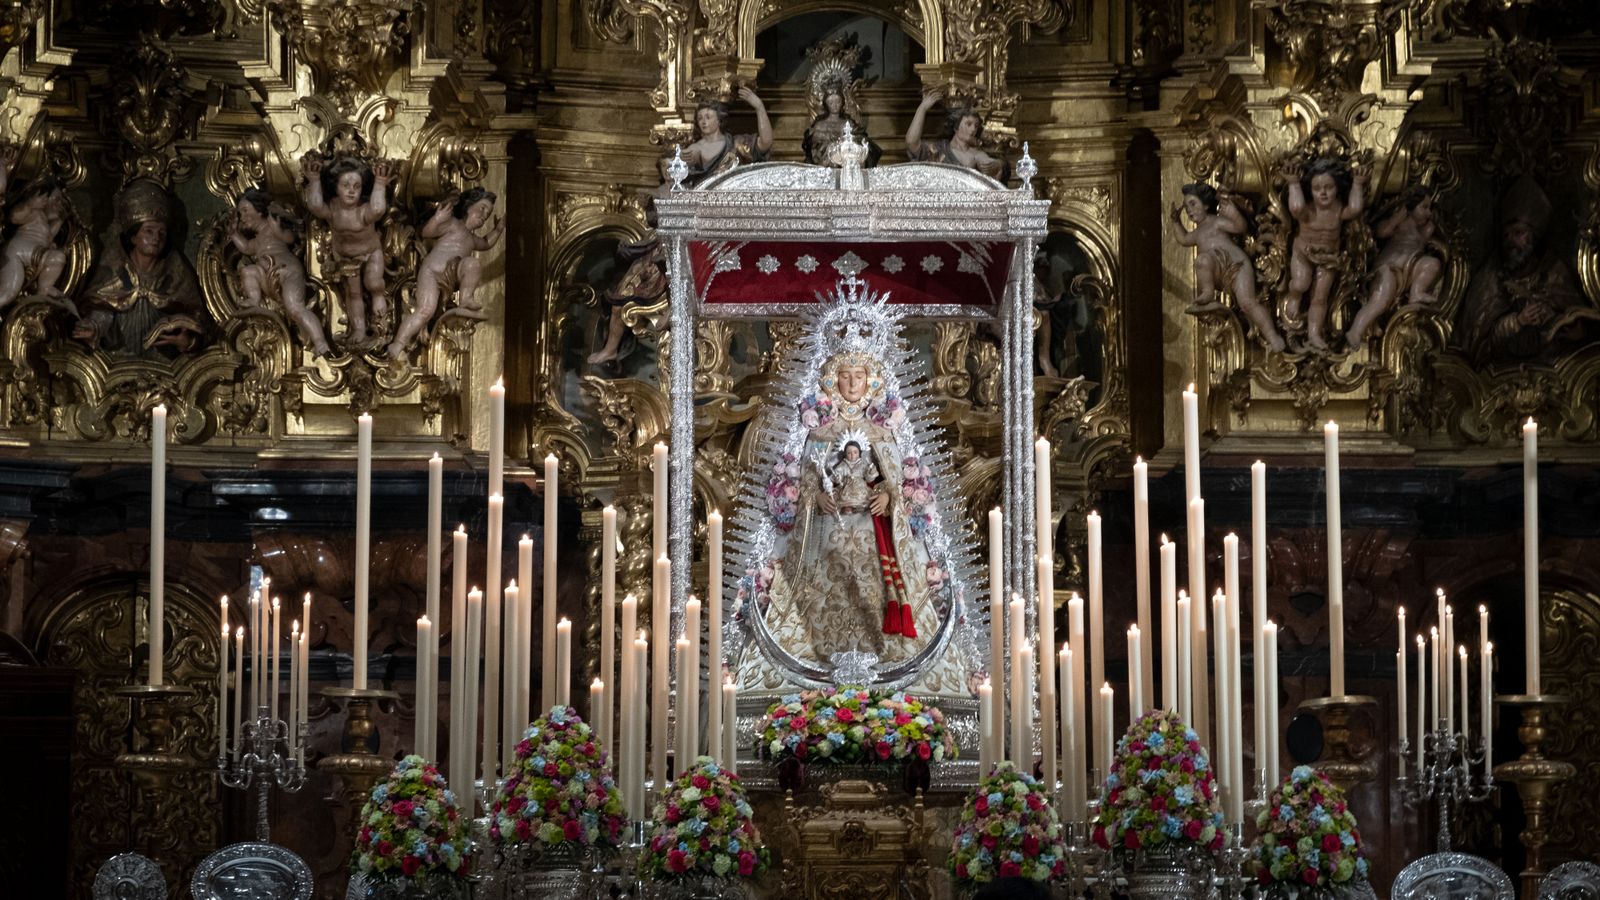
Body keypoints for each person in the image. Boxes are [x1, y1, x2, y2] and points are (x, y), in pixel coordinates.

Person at [765, 353, 937, 661]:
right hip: (829, 523)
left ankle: (881, 653)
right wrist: (816, 496)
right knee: (828, 568)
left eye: (859, 375)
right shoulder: (821, 432)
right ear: (834, 381)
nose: (853, 382)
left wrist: (887, 497)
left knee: (873, 582)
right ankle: (820, 652)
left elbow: (893, 479)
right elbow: (807, 479)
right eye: (846, 375)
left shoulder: (881, 432)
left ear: (870, 381)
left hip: (872, 528)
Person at [1457, 175, 1595, 363]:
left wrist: (1559, 322)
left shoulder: (1555, 271)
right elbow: (1477, 341)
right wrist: (1517, 321)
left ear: (1534, 235)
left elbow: (1579, 327)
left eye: (1518, 233)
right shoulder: (1489, 278)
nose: (1510, 241)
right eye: (1506, 235)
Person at [73, 179, 207, 357]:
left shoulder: (177, 273)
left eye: (162, 233)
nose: (156, 238)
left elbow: (198, 319)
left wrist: (187, 341)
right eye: (149, 231)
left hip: (165, 366)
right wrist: (94, 328)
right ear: (133, 237)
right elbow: (99, 306)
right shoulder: (112, 270)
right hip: (115, 360)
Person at [389, 187, 504, 360]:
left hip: (452, 274)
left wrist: (499, 229)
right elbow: (426, 232)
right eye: (482, 208)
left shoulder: (472, 239)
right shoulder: (453, 224)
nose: (484, 215)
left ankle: (466, 299)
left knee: (472, 263)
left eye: (487, 213)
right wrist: (437, 219)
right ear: (469, 206)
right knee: (425, 311)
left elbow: (486, 243)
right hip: (432, 273)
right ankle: (397, 345)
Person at [1170, 182, 1285, 352]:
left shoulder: (1216, 222)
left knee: (1247, 303)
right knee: (1201, 261)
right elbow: (1184, 239)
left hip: (1236, 265)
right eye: (1186, 207)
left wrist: (1234, 213)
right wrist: (1175, 221)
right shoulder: (1198, 233)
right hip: (1218, 271)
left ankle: (1273, 337)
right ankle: (1207, 292)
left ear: (1206, 204)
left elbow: (1240, 227)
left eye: (1193, 204)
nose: (1189, 211)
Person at [301, 154, 394, 347]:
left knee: (375, 284)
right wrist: (314, 180)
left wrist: (380, 182)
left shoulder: (363, 210)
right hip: (344, 257)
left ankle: (381, 327)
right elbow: (316, 206)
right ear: (336, 187)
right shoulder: (334, 209)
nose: (351, 191)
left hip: (371, 253)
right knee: (353, 293)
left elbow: (377, 210)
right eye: (346, 185)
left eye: (356, 186)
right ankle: (359, 329)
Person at [230, 187, 332, 357]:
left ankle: (321, 343)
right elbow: (247, 248)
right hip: (267, 275)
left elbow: (289, 238)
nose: (242, 217)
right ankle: (253, 299)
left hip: (288, 271)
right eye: (240, 213)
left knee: (295, 309)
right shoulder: (256, 241)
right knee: (248, 271)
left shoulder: (271, 227)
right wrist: (233, 234)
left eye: (245, 210)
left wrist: (277, 228)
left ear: (260, 210)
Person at [1280, 158, 1367, 351]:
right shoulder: (1308, 210)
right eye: (1317, 188)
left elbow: (1354, 209)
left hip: (1328, 259)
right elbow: (1295, 208)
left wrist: (1358, 185)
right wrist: (1293, 183)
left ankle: (1314, 333)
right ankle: (1294, 296)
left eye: (1329, 187)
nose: (1323, 192)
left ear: (1337, 188)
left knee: (1320, 298)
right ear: (1309, 191)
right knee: (1301, 283)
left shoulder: (1337, 210)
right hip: (1304, 252)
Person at [1345, 187, 1443, 347]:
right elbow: (1381, 232)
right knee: (1380, 300)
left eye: (1430, 208)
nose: (1428, 212)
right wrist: (1397, 218)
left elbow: (1422, 243)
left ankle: (1417, 292)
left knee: (1432, 264)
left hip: (1410, 269)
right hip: (1389, 268)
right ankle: (1356, 330)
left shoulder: (1421, 230)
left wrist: (1432, 224)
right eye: (1424, 207)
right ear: (1410, 207)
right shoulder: (1400, 223)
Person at [661, 87, 773, 188]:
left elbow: (765, 142)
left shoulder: (737, 143)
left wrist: (759, 107)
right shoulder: (696, 147)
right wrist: (684, 159)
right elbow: (687, 158)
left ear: (719, 120)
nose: (703, 122)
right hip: (705, 202)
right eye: (700, 118)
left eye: (708, 117)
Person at [905, 90, 1004, 179]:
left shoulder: (976, 154)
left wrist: (998, 165)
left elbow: (989, 164)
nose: (973, 129)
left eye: (976, 125)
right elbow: (911, 142)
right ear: (956, 127)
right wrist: (922, 109)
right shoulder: (938, 150)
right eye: (968, 124)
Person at [802, 80, 881, 168]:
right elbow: (813, 148)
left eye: (837, 102)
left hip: (846, 163)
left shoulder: (848, 123)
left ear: (842, 102)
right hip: (826, 164)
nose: (835, 105)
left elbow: (859, 140)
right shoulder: (820, 124)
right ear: (826, 104)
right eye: (831, 102)